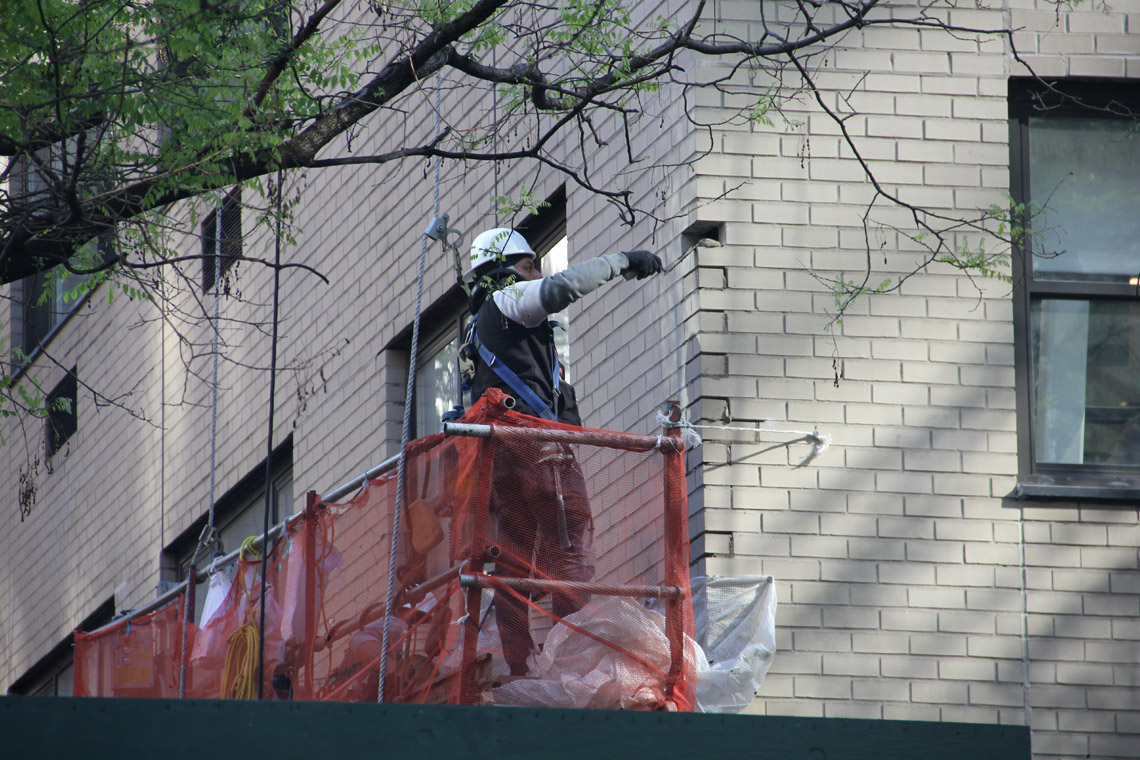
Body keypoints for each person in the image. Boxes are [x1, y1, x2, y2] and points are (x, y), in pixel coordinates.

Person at [461, 227, 663, 676]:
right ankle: (575, 657)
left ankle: (521, 666)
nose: (537, 273)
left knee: (516, 563)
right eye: (531, 265)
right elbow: (561, 288)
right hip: (537, 453)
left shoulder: (483, 331)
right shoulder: (508, 302)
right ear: (507, 270)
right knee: (569, 553)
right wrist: (623, 260)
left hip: (504, 462)